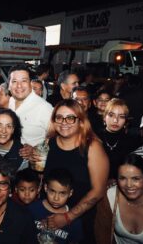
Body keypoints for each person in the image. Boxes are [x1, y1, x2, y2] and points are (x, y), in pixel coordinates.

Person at [42, 99, 109, 244]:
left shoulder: (92, 147)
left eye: (70, 118)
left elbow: (98, 191)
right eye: (59, 117)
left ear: (81, 121)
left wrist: (68, 217)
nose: (63, 122)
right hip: (48, 214)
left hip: (79, 220)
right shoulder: (50, 142)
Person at [28, 168, 83, 244]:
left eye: (62, 193)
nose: (56, 198)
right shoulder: (32, 209)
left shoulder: (75, 221)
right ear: (46, 188)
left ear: (70, 193)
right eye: (52, 191)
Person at [95, 98, 143, 182]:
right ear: (104, 117)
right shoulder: (94, 137)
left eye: (121, 117)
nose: (115, 120)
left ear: (125, 121)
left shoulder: (132, 141)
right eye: (111, 115)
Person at [8, 64, 53, 148]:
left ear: (30, 84)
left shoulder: (45, 108)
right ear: (9, 86)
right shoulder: (9, 102)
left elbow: (56, 139)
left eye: (24, 81)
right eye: (14, 81)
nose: (19, 85)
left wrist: (36, 151)